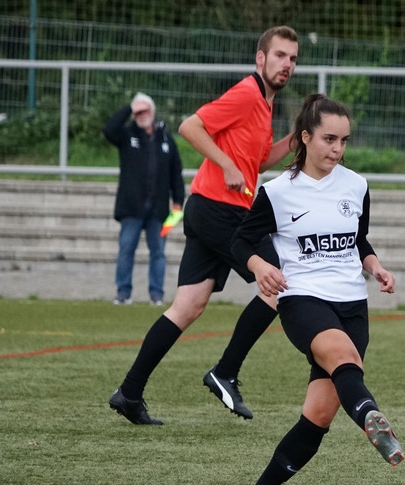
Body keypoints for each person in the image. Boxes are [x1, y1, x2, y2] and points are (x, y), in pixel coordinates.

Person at [108, 25, 299, 425]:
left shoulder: (264, 106)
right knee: (280, 283)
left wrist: (297, 138)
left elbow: (258, 163)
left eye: (293, 58)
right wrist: (225, 163)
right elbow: (190, 127)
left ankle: (129, 392)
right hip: (220, 211)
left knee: (187, 307)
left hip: (213, 210)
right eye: (279, 56)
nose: (287, 65)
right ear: (260, 59)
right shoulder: (247, 93)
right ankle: (225, 371)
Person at [231, 94, 404, 485]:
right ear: (305, 138)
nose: (337, 149)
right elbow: (239, 242)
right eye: (329, 139)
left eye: (344, 140)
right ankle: (371, 417)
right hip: (303, 298)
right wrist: (258, 265)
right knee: (343, 357)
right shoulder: (277, 192)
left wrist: (375, 265)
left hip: (352, 303)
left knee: (318, 417)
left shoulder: (357, 186)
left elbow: (356, 240)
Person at [101, 92, 185, 306]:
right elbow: (109, 129)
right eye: (138, 112)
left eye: (144, 110)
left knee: (158, 252)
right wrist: (129, 107)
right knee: (126, 249)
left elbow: (176, 172)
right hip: (131, 208)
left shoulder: (166, 138)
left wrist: (178, 204)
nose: (141, 114)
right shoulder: (127, 134)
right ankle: (123, 293)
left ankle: (157, 294)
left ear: (153, 112)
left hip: (160, 210)